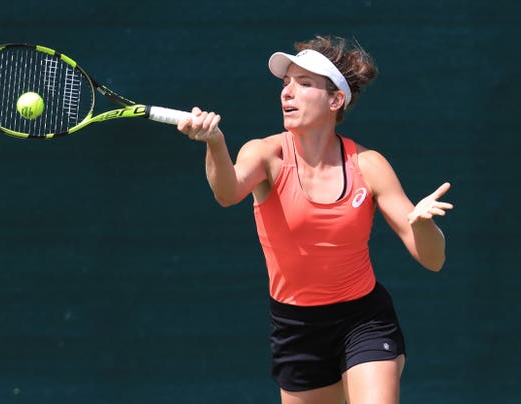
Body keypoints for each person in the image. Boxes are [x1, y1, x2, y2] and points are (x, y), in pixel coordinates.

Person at [176, 35, 453, 404]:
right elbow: (227, 193)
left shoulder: (369, 166)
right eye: (286, 83)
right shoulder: (265, 154)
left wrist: (421, 224)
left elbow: (434, 260)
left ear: (336, 99)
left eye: (304, 84)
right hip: (297, 328)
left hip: (363, 320)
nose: (287, 92)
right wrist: (215, 142)